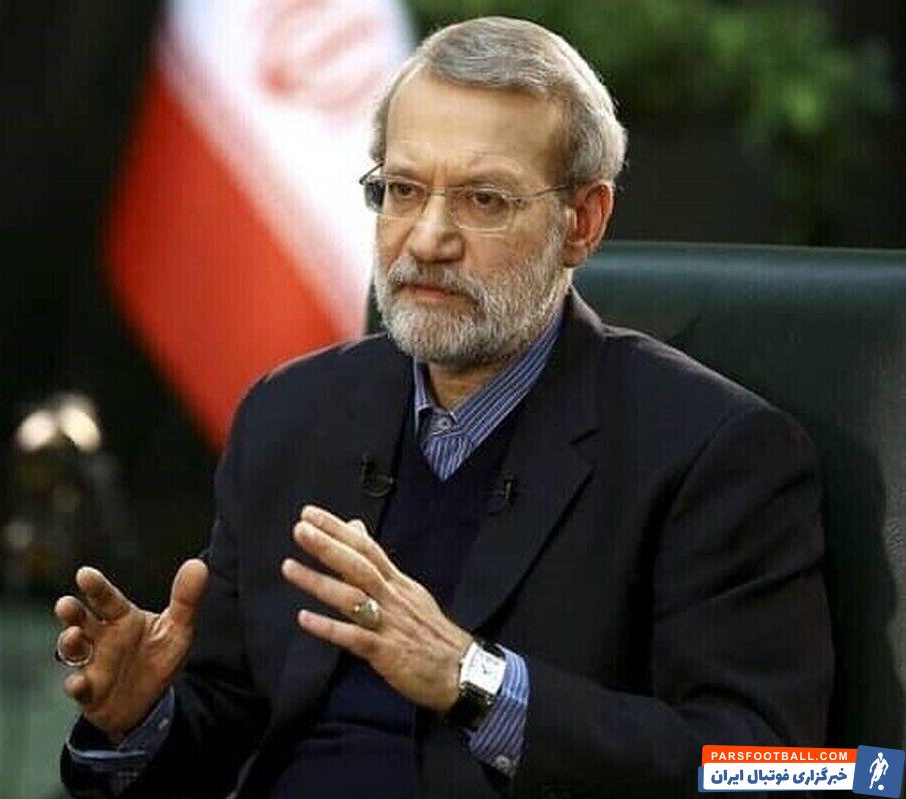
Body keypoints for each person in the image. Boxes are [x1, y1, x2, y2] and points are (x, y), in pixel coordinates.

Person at [53, 17, 832, 799]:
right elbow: (226, 722)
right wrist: (143, 718)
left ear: (583, 222)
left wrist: (475, 679)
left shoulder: (714, 452)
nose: (426, 240)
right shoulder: (288, 414)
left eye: (483, 199)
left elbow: (768, 770)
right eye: (403, 190)